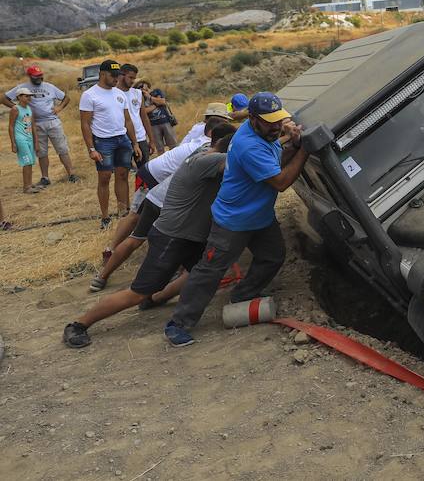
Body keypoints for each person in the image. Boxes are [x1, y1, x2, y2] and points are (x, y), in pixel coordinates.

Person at [62, 127, 237, 348]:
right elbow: (245, 162)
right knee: (137, 292)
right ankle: (79, 324)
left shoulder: (205, 150)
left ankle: (155, 298)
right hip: (173, 237)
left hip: (189, 235)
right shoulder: (209, 161)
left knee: (204, 271)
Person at [164, 92, 307, 347]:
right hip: (233, 221)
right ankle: (178, 323)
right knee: (210, 271)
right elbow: (281, 182)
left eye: (278, 120)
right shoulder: (248, 145)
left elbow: (275, 162)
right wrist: (305, 150)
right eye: (270, 122)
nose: (276, 127)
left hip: (260, 217)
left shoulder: (263, 135)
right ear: (253, 119)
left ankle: (243, 295)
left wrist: (294, 146)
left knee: (273, 256)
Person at [92, 117, 230, 291]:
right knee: (180, 238)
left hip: (157, 193)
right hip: (164, 194)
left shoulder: (202, 147)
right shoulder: (215, 159)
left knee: (136, 238)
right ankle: (167, 282)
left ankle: (101, 276)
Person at [79, 59, 142, 229]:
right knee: (105, 177)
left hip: (122, 139)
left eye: (118, 75)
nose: (116, 78)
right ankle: (105, 216)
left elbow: (128, 120)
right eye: (113, 75)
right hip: (103, 141)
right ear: (102, 74)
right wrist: (91, 149)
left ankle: (123, 212)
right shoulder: (89, 95)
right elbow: (85, 124)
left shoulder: (119, 94)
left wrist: (135, 143)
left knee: (122, 175)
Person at [2, 65, 79, 185]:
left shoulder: (49, 86)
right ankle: (45, 178)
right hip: (35, 124)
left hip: (53, 122)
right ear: (29, 76)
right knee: (42, 152)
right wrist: (18, 108)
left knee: (62, 149)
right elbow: (3, 99)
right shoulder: (23, 88)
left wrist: (59, 107)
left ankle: (72, 174)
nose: (39, 78)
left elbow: (66, 98)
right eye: (36, 76)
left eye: (40, 75)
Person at [117, 64, 154, 164]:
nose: (133, 81)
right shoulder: (114, 94)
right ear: (121, 75)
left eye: (134, 78)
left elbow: (144, 117)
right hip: (123, 138)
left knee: (144, 169)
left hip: (140, 137)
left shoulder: (137, 93)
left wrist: (151, 140)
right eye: (130, 77)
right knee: (123, 170)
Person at [8, 88, 41, 193]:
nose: (29, 98)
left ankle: (29, 184)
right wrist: (13, 143)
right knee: (26, 162)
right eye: (26, 96)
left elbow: (33, 126)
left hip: (29, 138)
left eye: (30, 96)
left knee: (30, 161)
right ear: (19, 97)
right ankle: (26, 187)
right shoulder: (15, 109)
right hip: (20, 139)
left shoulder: (29, 108)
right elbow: (11, 126)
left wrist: (36, 142)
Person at [146, 87, 178, 152]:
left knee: (173, 145)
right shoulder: (141, 97)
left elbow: (162, 101)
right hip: (153, 125)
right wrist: (156, 104)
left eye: (143, 85)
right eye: (139, 87)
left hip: (166, 121)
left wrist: (150, 97)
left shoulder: (157, 91)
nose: (141, 88)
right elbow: (144, 111)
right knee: (159, 148)